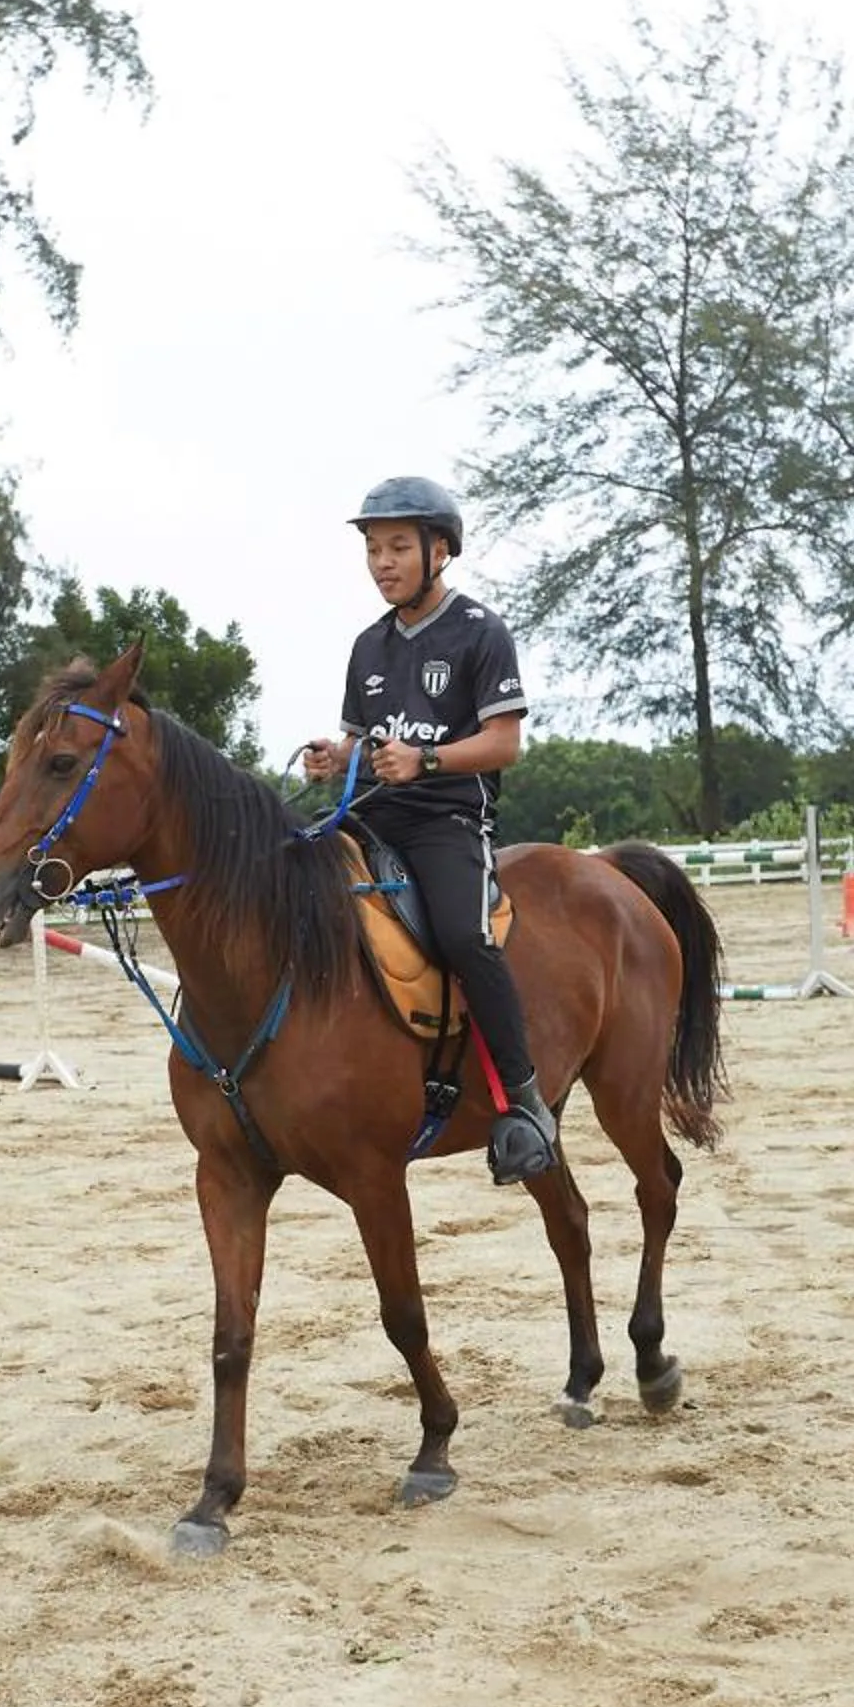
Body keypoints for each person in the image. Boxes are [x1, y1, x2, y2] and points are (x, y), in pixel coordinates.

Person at [302, 476, 556, 1185]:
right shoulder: (368, 647)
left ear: (438, 551)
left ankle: (526, 1102)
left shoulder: (480, 633)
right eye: (373, 550)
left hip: (449, 817)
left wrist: (428, 758)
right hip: (374, 815)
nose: (382, 563)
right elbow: (363, 745)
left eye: (397, 548)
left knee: (462, 935)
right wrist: (337, 758)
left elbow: (505, 744)